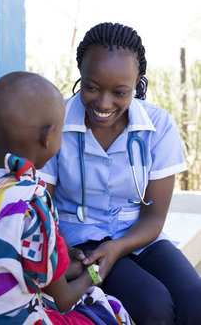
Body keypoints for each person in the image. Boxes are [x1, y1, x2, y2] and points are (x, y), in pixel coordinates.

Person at [37, 22, 201, 325]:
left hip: (140, 236)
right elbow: (41, 209)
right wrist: (63, 253)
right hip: (80, 243)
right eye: (92, 87)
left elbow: (153, 218)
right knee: (153, 307)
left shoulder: (158, 127)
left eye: (120, 92)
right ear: (80, 75)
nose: (103, 103)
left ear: (138, 82)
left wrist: (117, 247)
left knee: (196, 299)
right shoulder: (55, 123)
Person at [0, 72, 131, 325]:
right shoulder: (33, 201)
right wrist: (92, 273)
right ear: (48, 137)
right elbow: (65, 300)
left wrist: (62, 255)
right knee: (109, 311)